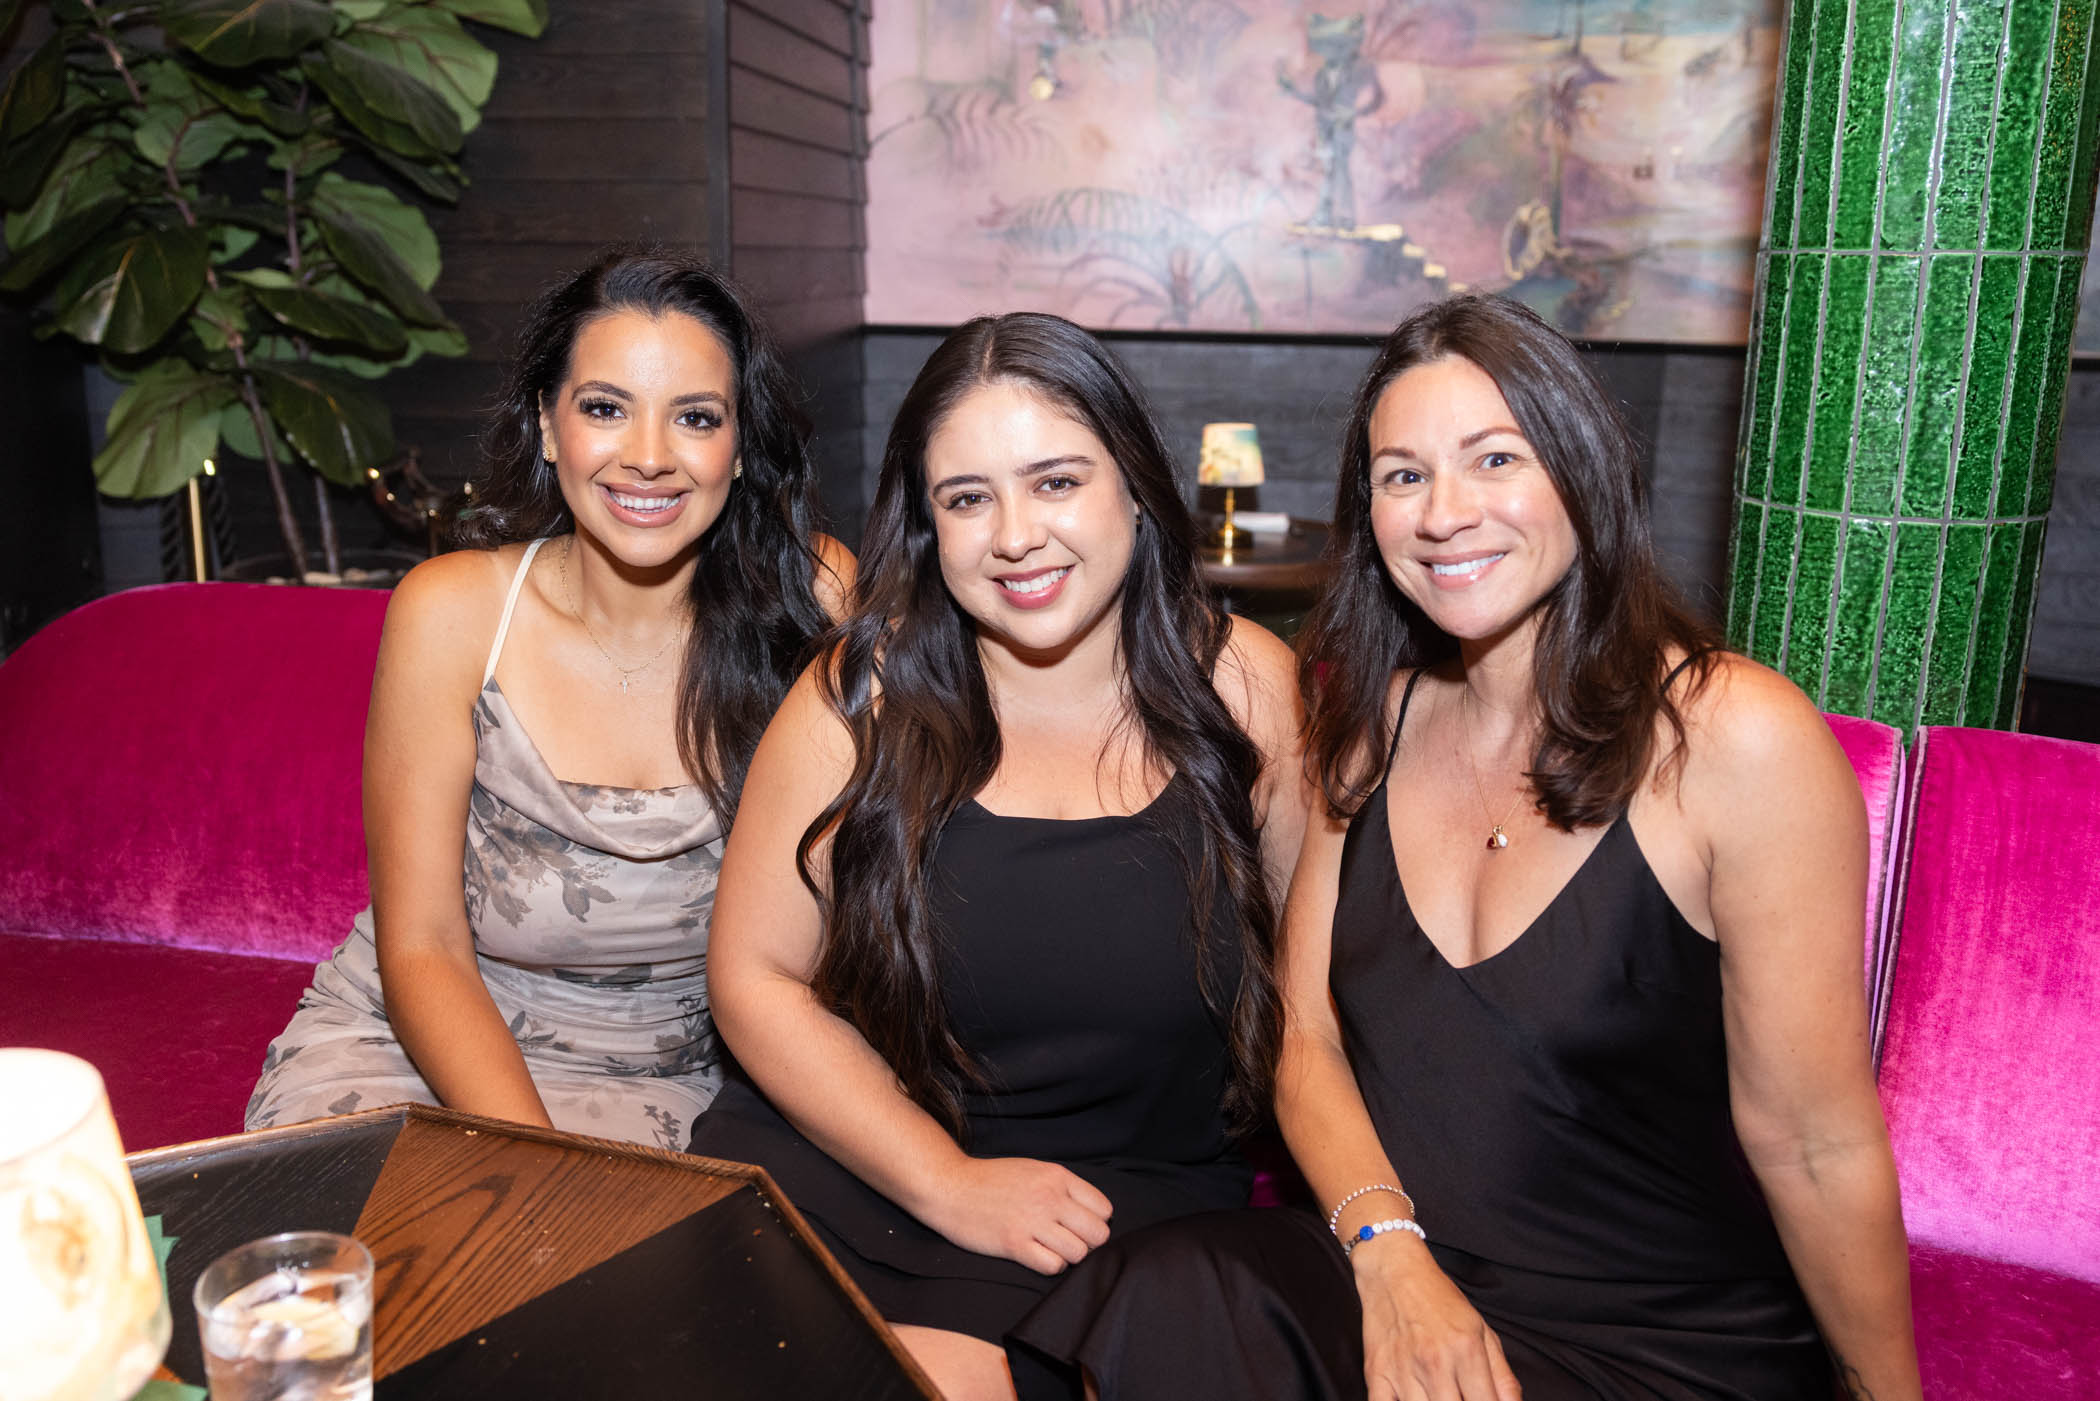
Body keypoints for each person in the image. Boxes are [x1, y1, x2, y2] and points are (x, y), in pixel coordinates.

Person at [1022, 294, 1921, 1401]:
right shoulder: (1369, 724)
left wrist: (1888, 1393)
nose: (1445, 513)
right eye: (1403, 476)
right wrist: (1388, 1253)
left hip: (1659, 1335)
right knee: (1178, 1287)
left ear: (1581, 472)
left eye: (1495, 458)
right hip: (1399, 1266)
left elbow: (1814, 1142)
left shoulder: (1733, 736)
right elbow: (1305, 1040)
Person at [686, 312, 1307, 1400]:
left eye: (1056, 481)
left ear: (1134, 484)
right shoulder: (858, 697)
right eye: (967, 499)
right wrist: (946, 1184)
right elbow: (753, 977)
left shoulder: (1247, 686)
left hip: (1114, 1212)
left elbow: (1321, 987)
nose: (1015, 535)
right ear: (927, 527)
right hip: (856, 1160)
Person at [245, 249, 853, 1152]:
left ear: (739, 443)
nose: (648, 458)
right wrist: (542, 1176)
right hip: (424, 1052)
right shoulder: (452, 613)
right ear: (546, 425)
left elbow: (849, 915)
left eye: (695, 417)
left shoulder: (816, 599)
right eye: (605, 408)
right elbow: (424, 947)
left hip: (697, 1080)